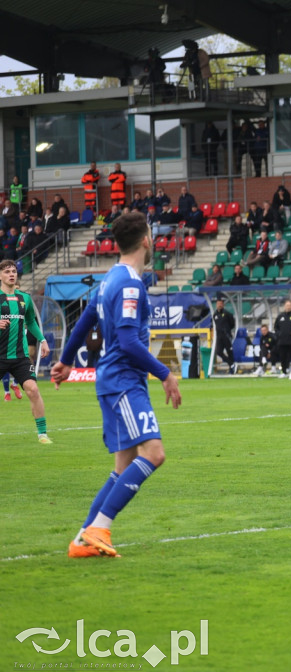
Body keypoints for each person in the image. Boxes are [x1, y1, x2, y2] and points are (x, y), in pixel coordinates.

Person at [50, 213, 182, 558]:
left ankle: (82, 540)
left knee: (122, 467)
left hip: (114, 380)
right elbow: (127, 341)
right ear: (146, 241)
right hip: (124, 381)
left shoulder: (110, 280)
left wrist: (65, 359)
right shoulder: (128, 284)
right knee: (154, 454)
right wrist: (164, 373)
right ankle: (100, 527)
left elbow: (85, 319)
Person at [0, 260, 51, 443]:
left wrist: (42, 340)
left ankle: (42, 434)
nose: (11, 274)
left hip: (20, 357)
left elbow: (31, 322)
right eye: (7, 272)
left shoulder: (24, 298)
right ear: (0, 276)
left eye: (13, 271)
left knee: (33, 389)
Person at [274, 300, 291, 373]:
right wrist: (279, 334)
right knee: (283, 357)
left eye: (289, 305)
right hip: (282, 341)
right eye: (287, 305)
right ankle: (284, 372)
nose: (288, 307)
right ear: (284, 306)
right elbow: (276, 327)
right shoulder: (280, 317)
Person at [212, 298, 236, 374]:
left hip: (226, 335)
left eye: (221, 303)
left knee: (229, 351)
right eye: (218, 303)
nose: (219, 305)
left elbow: (232, 324)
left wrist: (227, 330)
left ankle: (232, 369)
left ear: (223, 305)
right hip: (219, 336)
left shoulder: (227, 314)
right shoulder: (215, 314)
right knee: (219, 351)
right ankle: (231, 364)